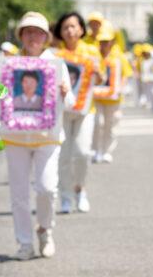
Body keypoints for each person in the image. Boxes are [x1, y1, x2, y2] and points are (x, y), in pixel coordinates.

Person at [0, 11, 74, 261]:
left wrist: (65, 92)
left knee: (46, 188)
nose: (33, 37)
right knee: (19, 195)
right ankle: (24, 242)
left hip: (47, 136)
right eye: (28, 31)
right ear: (21, 35)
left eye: (38, 32)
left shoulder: (56, 64)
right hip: (16, 137)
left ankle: (45, 228)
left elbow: (72, 103)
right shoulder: (10, 64)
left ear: (46, 37)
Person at [54, 12, 102, 214]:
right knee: (64, 155)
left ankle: (80, 189)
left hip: (85, 109)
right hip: (63, 110)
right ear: (61, 32)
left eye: (74, 26)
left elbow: (99, 80)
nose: (70, 30)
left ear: (82, 30)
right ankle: (65, 195)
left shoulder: (91, 52)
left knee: (82, 153)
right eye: (65, 27)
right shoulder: (56, 56)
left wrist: (98, 72)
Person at [92, 21, 133, 164]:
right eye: (101, 41)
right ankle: (96, 150)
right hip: (96, 97)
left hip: (114, 99)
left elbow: (126, 74)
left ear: (112, 42)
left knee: (111, 126)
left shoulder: (119, 56)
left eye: (107, 41)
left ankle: (106, 151)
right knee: (98, 124)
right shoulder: (94, 55)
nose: (104, 44)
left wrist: (120, 88)